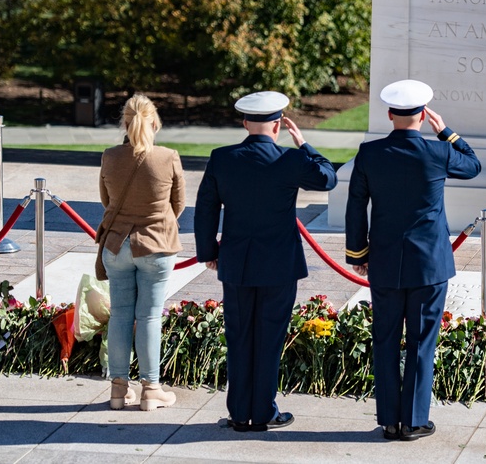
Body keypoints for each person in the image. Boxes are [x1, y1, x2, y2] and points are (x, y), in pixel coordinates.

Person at [345, 79, 481, 441]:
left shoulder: (370, 154)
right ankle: (415, 420)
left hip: (386, 263)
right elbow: (473, 166)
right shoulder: (438, 153)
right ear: (423, 115)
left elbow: (356, 205)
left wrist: (358, 253)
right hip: (429, 265)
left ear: (390, 115)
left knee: (385, 340)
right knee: (422, 343)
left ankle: (389, 420)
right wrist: (447, 132)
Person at [194, 91, 337, 432]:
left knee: (240, 337)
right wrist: (303, 144)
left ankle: (239, 413)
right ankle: (263, 412)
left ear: (245, 123)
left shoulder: (222, 158)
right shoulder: (290, 160)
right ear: (277, 126)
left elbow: (205, 210)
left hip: (238, 263)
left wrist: (208, 253)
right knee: (269, 339)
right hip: (278, 266)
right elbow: (327, 177)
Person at [98, 94, 185, 410]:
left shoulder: (109, 156)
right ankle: (151, 388)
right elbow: (178, 205)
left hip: (118, 244)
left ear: (124, 122)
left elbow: (107, 201)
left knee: (120, 314)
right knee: (149, 316)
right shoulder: (168, 156)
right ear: (155, 123)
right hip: (156, 245)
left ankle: (119, 389)